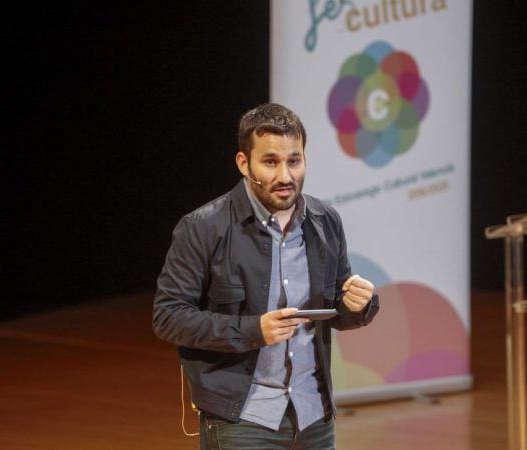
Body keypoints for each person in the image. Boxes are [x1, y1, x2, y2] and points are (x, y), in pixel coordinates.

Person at [152, 102, 379, 449]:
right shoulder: (203, 227)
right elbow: (168, 316)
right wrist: (252, 331)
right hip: (241, 418)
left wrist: (360, 305)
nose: (285, 176)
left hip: (312, 413)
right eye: (270, 162)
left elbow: (336, 307)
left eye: (294, 160)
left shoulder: (325, 221)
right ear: (244, 163)